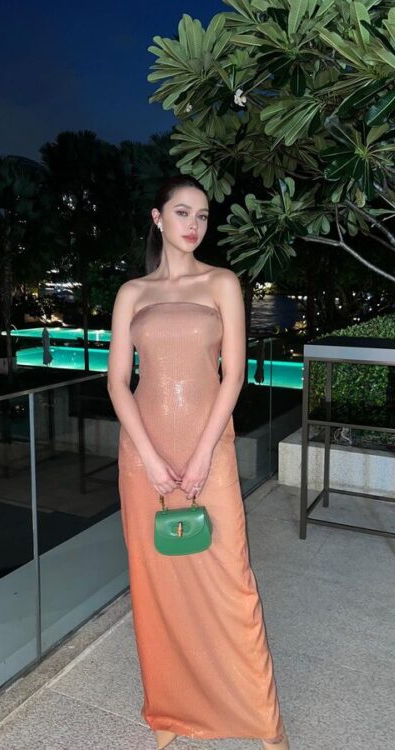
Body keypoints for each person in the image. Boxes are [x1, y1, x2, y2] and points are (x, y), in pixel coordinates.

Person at [107, 175, 289, 749]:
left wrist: (206, 451)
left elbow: (232, 375)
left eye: (203, 215)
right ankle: (169, 713)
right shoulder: (132, 293)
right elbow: (117, 382)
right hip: (143, 457)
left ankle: (262, 721)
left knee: (231, 579)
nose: (194, 224)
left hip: (211, 449)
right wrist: (150, 458)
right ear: (157, 218)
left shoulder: (222, 283)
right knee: (155, 584)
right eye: (182, 212)